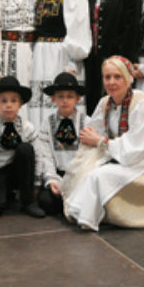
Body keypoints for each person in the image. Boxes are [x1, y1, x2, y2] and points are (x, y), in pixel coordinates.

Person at [61, 56, 144, 231]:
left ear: (128, 79)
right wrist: (95, 141)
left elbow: (135, 149)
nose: (111, 82)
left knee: (99, 176)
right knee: (82, 170)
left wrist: (101, 142)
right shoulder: (105, 103)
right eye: (107, 77)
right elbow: (92, 132)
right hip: (120, 155)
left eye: (117, 77)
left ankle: (89, 217)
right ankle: (84, 210)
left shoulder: (143, 105)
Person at [29, 0, 92, 130]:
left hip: (64, 54)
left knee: (64, 100)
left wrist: (72, 63)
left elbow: (79, 29)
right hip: (41, 55)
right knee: (42, 101)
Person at [0, 76, 47, 218]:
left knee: (25, 149)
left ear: (20, 104)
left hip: (19, 170)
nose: (9, 105)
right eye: (4, 100)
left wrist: (36, 185)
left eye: (14, 100)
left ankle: (28, 202)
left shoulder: (27, 128)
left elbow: (38, 155)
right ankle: (5, 193)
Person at [84, 0, 142, 114]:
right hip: (92, 63)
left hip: (117, 64)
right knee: (94, 107)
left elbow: (132, 32)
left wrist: (125, 65)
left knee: (117, 108)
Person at [37, 72, 88, 215]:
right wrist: (52, 180)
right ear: (53, 99)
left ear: (78, 98)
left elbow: (88, 156)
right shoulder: (47, 123)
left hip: (79, 175)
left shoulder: (86, 122)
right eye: (60, 96)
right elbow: (45, 155)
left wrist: (75, 180)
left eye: (70, 96)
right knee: (45, 201)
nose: (65, 101)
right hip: (58, 174)